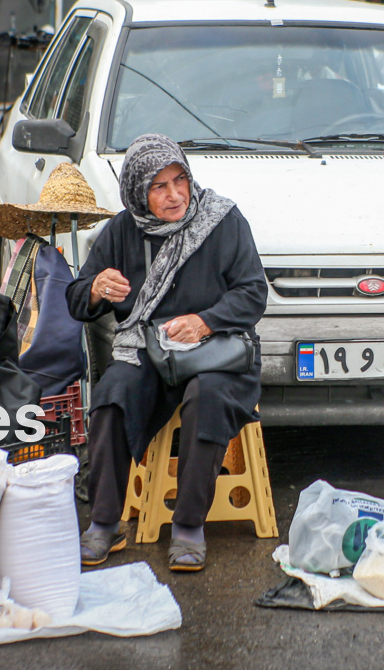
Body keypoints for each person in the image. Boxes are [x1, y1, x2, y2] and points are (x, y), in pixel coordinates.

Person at [69, 135, 268, 573]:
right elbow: (77, 298)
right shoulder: (123, 230)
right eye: (159, 187)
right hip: (148, 353)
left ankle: (188, 528)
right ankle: (105, 522)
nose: (175, 195)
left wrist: (207, 320)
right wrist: (98, 288)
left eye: (180, 180)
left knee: (207, 398)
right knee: (112, 394)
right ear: (139, 193)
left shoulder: (222, 221)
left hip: (216, 353)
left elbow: (254, 292)